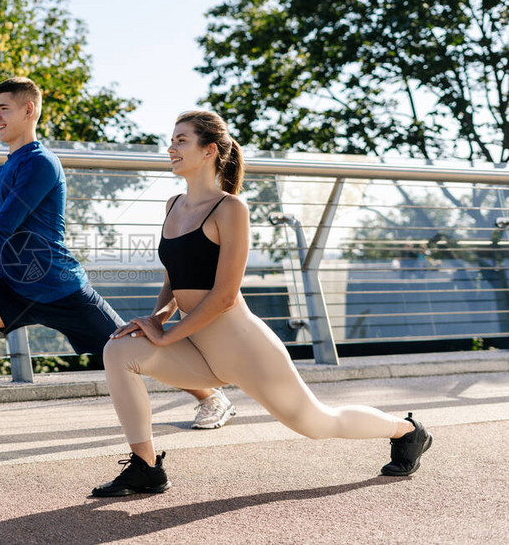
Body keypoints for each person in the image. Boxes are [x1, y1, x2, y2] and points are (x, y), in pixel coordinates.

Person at [91, 111, 433, 497]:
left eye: (181, 140)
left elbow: (223, 296)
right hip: (196, 347)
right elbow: (174, 277)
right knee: (119, 349)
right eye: (172, 140)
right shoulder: (173, 205)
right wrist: (155, 319)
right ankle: (146, 467)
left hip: (243, 346)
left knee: (318, 423)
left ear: (210, 151)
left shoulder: (230, 209)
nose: (171, 148)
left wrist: (166, 336)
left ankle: (406, 430)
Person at [0, 78, 234, 444]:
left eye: (3, 108)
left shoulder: (41, 164)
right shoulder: (2, 172)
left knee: (135, 349)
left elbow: (3, 228)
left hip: (61, 289)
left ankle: (211, 396)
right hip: (13, 290)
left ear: (28, 110)